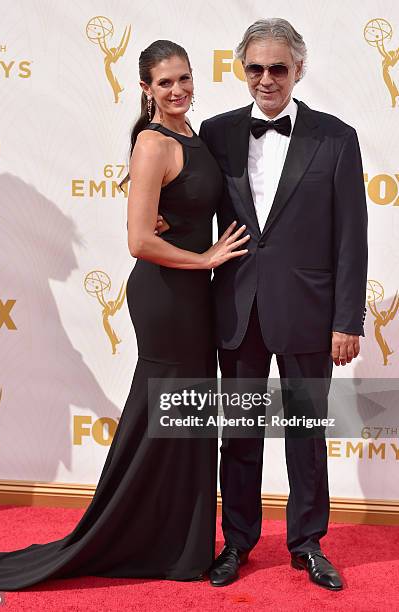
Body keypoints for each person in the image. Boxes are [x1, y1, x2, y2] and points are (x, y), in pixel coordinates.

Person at [0, 40, 249, 591]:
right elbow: (139, 240)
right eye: (165, 83)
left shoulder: (195, 135)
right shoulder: (152, 143)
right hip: (166, 296)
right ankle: (151, 541)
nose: (179, 89)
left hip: (192, 298)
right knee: (174, 415)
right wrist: (205, 257)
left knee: (181, 419)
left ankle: (175, 542)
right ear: (146, 89)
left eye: (184, 78)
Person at [198, 19, 368, 590]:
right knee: (239, 434)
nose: (265, 79)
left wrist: (347, 320)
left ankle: (306, 543)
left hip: (309, 313)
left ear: (299, 69)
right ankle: (237, 542)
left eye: (277, 68)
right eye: (255, 68)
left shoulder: (336, 137)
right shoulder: (215, 133)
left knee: (305, 433)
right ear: (242, 70)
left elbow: (351, 238)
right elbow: (190, 197)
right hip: (238, 309)